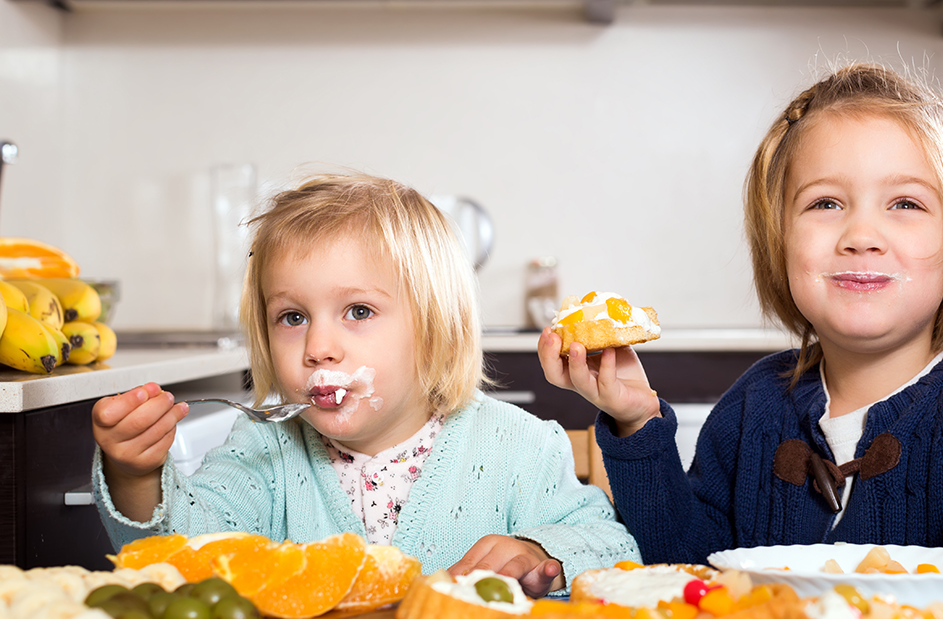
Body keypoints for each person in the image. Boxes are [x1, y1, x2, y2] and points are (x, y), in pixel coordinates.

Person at [538, 63, 943, 611]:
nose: (861, 234)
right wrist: (637, 423)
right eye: (825, 202)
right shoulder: (756, 402)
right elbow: (688, 570)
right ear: (778, 240)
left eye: (905, 203)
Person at [92, 172, 640, 597]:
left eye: (357, 311)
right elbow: (183, 559)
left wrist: (540, 553)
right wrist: (135, 476)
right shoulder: (263, 450)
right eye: (292, 317)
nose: (317, 347)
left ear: (434, 328)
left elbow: (614, 547)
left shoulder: (520, 447)